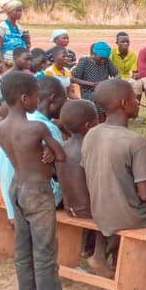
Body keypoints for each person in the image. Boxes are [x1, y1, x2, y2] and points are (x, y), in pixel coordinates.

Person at [82, 80, 146, 290]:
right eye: (135, 99)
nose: (138, 102)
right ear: (124, 103)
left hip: (99, 210)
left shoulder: (92, 133)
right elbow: (145, 195)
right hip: (130, 215)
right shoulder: (134, 141)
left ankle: (104, 255)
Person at [0, 71, 68, 290]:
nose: (37, 102)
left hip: (16, 186)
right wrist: (49, 150)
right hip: (37, 191)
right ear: (24, 98)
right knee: (45, 249)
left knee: (23, 245)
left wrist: (44, 151)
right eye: (36, 98)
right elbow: (60, 155)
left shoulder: (2, 126)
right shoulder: (36, 127)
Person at [54, 100, 112, 278]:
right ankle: (101, 255)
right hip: (90, 211)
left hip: (69, 208)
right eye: (97, 121)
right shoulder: (91, 149)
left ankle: (91, 249)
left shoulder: (61, 147)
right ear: (88, 125)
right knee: (118, 210)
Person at [0, 77, 66, 221]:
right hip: (38, 196)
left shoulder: (8, 124)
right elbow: (61, 165)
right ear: (52, 99)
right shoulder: (44, 128)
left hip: (12, 193)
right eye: (63, 102)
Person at [72, 41, 119, 109]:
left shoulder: (107, 61)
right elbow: (73, 78)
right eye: (101, 58)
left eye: (105, 59)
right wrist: (92, 84)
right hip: (87, 91)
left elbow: (118, 74)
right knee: (101, 97)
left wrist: (107, 83)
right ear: (94, 54)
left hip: (104, 89)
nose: (103, 61)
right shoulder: (84, 61)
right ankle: (100, 117)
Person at [110, 32, 144, 105]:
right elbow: (108, 66)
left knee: (137, 83)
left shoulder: (133, 55)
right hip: (114, 77)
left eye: (127, 42)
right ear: (117, 43)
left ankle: (135, 110)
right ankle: (116, 110)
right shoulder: (112, 52)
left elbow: (134, 71)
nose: (125, 44)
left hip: (128, 78)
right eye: (122, 42)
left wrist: (135, 75)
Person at [0, 0, 28, 66]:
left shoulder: (19, 27)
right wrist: (3, 68)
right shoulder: (2, 27)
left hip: (20, 64)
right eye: (17, 10)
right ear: (9, 12)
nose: (20, 13)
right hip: (8, 64)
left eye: (20, 11)